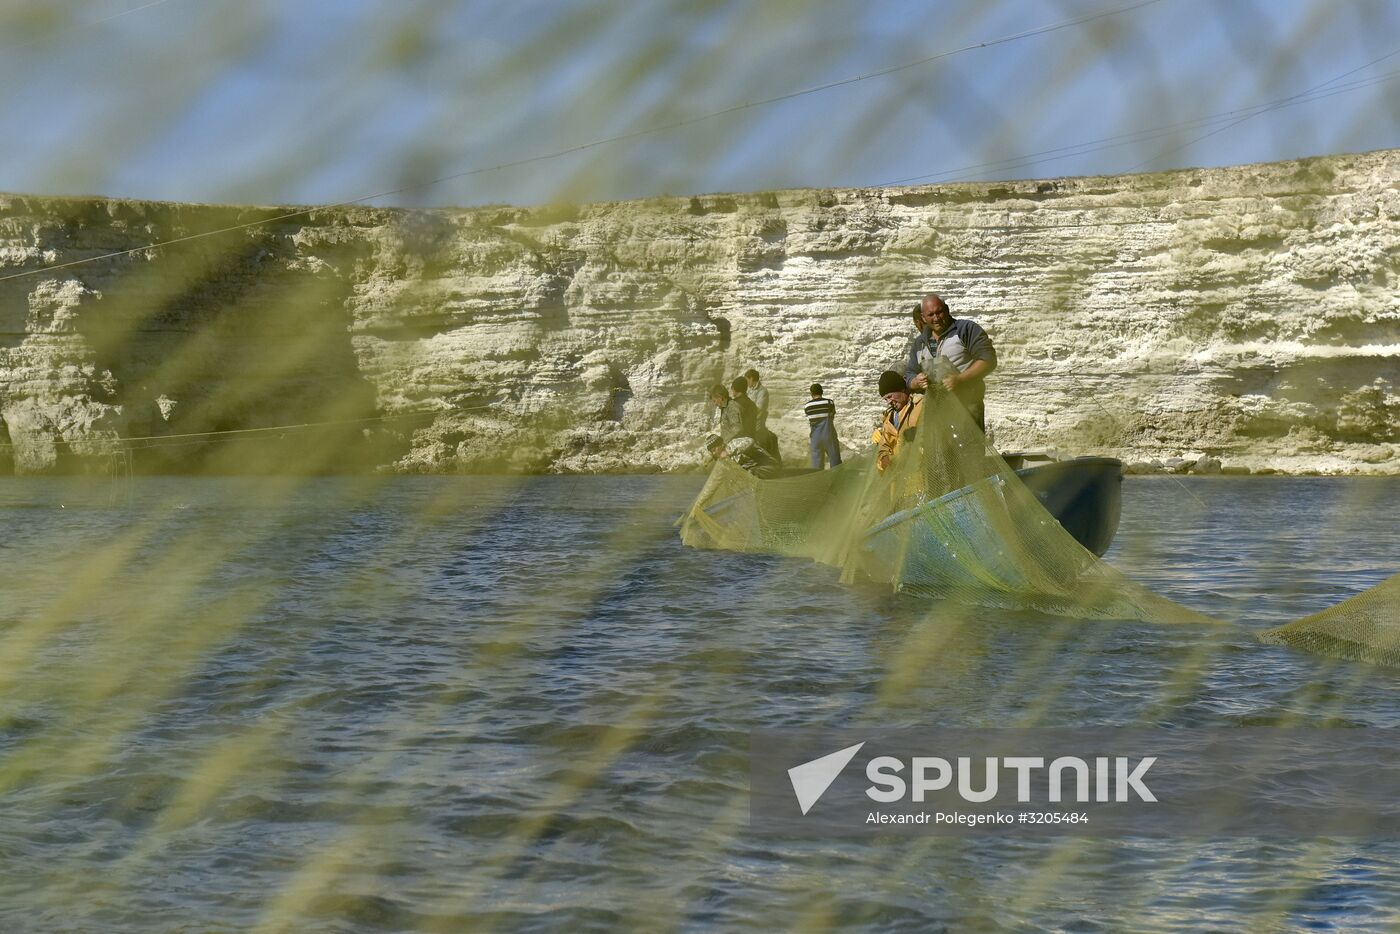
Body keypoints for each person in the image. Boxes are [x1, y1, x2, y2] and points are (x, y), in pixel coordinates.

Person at [903, 292, 997, 431]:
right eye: (930, 315)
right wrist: (916, 381)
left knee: (969, 451)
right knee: (940, 452)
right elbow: (909, 374)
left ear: (946, 309)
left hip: (967, 406)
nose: (936, 318)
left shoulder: (966, 329)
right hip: (936, 411)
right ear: (923, 317)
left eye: (939, 312)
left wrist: (960, 379)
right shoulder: (920, 343)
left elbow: (988, 359)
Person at [871, 370, 923, 473]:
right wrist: (883, 458)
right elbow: (884, 445)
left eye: (890, 396)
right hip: (899, 474)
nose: (889, 402)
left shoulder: (920, 405)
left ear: (902, 389)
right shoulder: (889, 417)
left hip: (919, 470)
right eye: (886, 399)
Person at [704, 434, 779, 479]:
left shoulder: (734, 443)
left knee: (750, 473)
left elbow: (750, 441)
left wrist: (728, 452)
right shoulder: (724, 460)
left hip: (769, 465)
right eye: (712, 452)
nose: (714, 453)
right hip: (757, 473)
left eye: (714, 450)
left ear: (721, 445)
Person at [804, 383, 842, 469]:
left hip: (815, 437)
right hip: (829, 435)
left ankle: (818, 481)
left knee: (817, 465)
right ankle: (836, 480)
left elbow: (810, 419)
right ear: (822, 391)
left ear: (811, 393)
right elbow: (832, 416)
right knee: (835, 461)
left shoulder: (807, 406)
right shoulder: (829, 402)